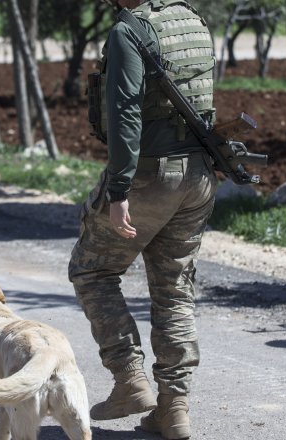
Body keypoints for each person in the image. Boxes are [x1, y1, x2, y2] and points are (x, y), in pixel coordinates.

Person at [68, 0, 216, 438]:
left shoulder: (128, 30)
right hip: (198, 176)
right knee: (174, 289)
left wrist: (119, 191)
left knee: (92, 270)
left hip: (150, 176)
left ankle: (129, 380)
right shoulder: (192, 20)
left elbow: (124, 112)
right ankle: (174, 409)